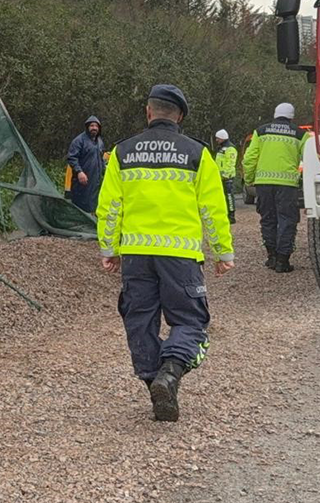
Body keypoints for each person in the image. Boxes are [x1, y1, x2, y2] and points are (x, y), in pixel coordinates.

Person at [97, 85, 234, 422]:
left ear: (148, 112)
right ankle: (170, 374)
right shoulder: (197, 153)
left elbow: (110, 206)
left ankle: (155, 385)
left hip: (136, 255)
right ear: (180, 116)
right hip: (180, 256)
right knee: (190, 321)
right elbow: (213, 209)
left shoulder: (122, 152)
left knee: (139, 320)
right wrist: (222, 252)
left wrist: (109, 248)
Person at [241, 103, 310, 273]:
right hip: (287, 186)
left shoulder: (261, 131)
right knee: (287, 220)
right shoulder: (300, 134)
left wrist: (249, 179)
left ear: (275, 114)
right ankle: (282, 261)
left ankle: (271, 256)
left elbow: (249, 158)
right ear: (292, 116)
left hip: (263, 184)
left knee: (268, 219)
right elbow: (309, 159)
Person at [66, 115, 106, 213]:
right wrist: (79, 172)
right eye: (92, 126)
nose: (94, 128)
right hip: (82, 181)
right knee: (80, 206)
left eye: (96, 126)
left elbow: (101, 159)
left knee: (93, 205)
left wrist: (105, 172)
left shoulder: (99, 141)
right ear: (87, 127)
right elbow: (72, 158)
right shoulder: (79, 140)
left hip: (95, 181)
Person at [213, 129, 238, 224]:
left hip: (227, 178)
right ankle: (225, 214)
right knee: (222, 197)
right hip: (220, 178)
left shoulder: (230, 148)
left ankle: (231, 216)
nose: (216, 140)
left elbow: (230, 163)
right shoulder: (221, 148)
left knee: (229, 197)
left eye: (218, 138)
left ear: (222, 138)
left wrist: (226, 175)